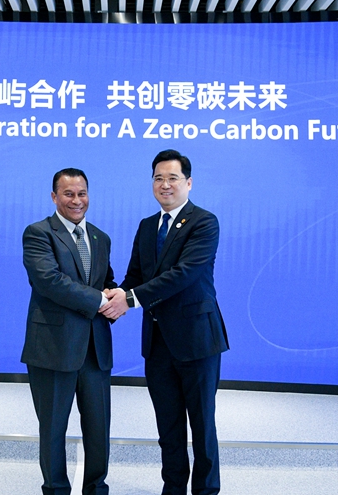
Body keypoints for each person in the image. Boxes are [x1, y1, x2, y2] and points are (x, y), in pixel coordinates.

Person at [101, 150, 229, 495]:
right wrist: (112, 295)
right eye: (158, 178)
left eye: (173, 178)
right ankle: (172, 489)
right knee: (168, 427)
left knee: (202, 425)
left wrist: (129, 299)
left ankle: (206, 491)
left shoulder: (204, 222)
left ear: (189, 182)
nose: (165, 184)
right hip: (158, 343)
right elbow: (135, 276)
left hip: (197, 340)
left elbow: (183, 275)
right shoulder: (147, 226)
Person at [21, 168, 121, 495]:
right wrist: (99, 300)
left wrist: (117, 298)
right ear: (54, 197)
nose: (77, 201)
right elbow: (49, 281)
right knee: (53, 429)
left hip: (95, 350)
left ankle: (97, 489)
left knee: (99, 430)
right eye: (68, 194)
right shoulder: (38, 233)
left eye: (82, 193)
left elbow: (106, 281)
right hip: (53, 349)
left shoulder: (101, 238)